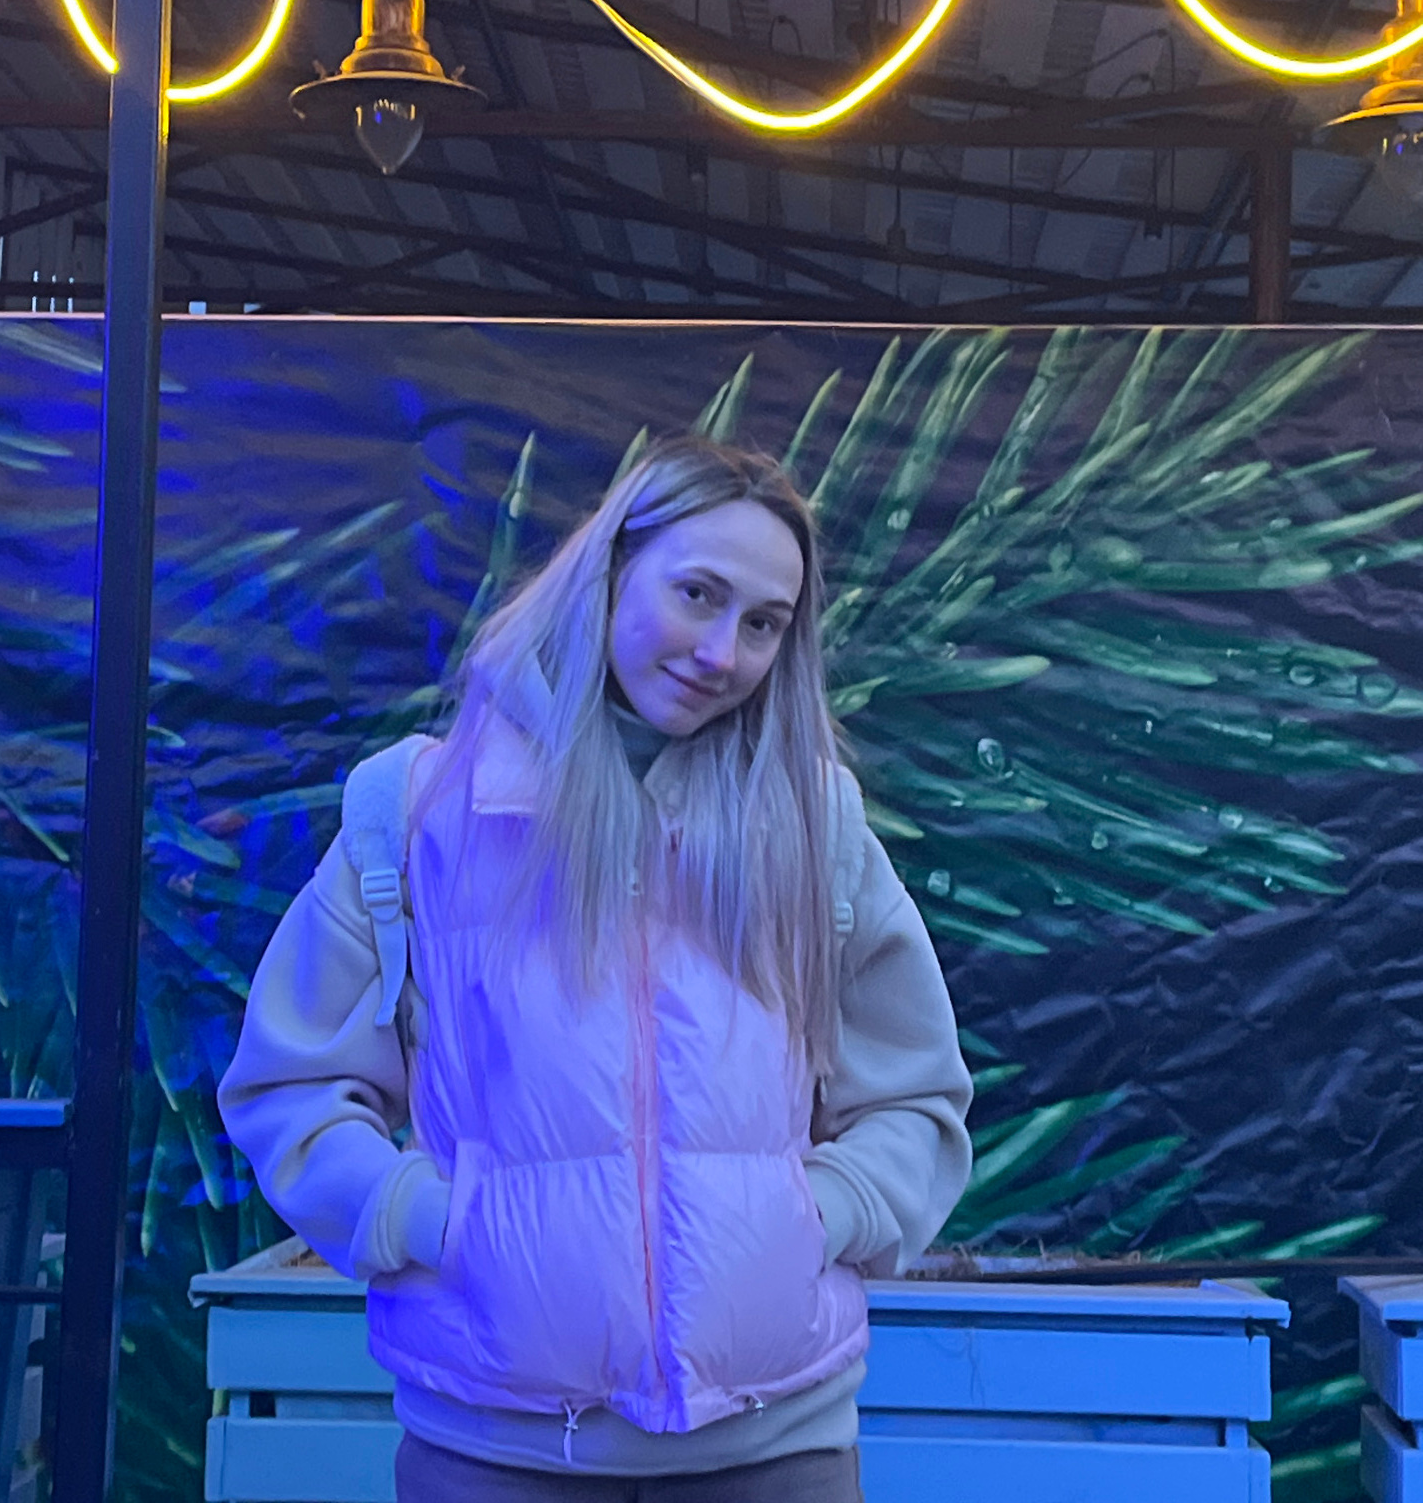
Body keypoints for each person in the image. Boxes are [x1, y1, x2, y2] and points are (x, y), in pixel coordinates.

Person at [219, 437, 973, 1502]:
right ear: (611, 570)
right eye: (697, 593)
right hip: (494, 1447)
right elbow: (290, 1085)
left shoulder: (817, 824)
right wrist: (435, 1222)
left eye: (764, 622)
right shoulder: (420, 813)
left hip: (777, 1450)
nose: (722, 651)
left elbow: (916, 1099)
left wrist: (817, 1217)